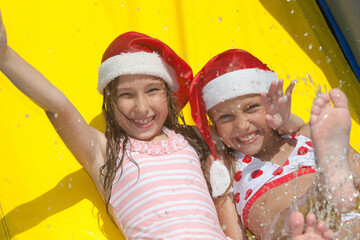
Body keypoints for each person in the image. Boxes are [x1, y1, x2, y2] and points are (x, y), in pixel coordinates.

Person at [0, 12, 337, 240]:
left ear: (170, 94)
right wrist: (6, 57)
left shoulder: (194, 143)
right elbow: (58, 106)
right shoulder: (104, 151)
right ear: (109, 102)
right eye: (126, 96)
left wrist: (288, 121)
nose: (142, 107)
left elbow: (232, 189)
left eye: (152, 91)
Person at [189, 49, 360, 239]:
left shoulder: (308, 136)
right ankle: (319, 194)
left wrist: (286, 121)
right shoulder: (225, 164)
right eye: (225, 117)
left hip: (346, 225)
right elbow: (234, 235)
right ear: (213, 124)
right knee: (289, 220)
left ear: (273, 103)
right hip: (287, 232)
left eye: (252, 107)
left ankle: (327, 188)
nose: (242, 125)